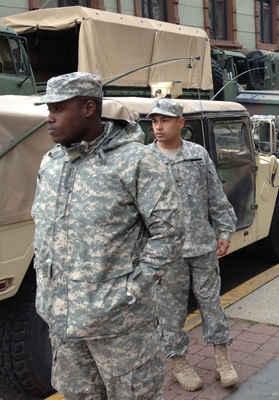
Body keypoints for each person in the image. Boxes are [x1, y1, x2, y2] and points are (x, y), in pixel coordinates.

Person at [31, 73, 184, 399]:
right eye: (48, 109)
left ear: (89, 108)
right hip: (65, 326)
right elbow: (44, 232)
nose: (49, 119)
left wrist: (133, 288)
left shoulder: (137, 162)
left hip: (120, 329)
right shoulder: (52, 163)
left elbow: (169, 232)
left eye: (58, 109)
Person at [148, 99, 239, 391]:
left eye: (165, 120)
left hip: (201, 246)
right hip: (166, 252)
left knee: (212, 304)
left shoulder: (197, 155)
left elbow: (215, 195)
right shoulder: (145, 159)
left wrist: (225, 230)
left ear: (180, 123)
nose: (158, 127)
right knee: (171, 311)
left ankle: (222, 359)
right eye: (154, 121)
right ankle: (179, 363)